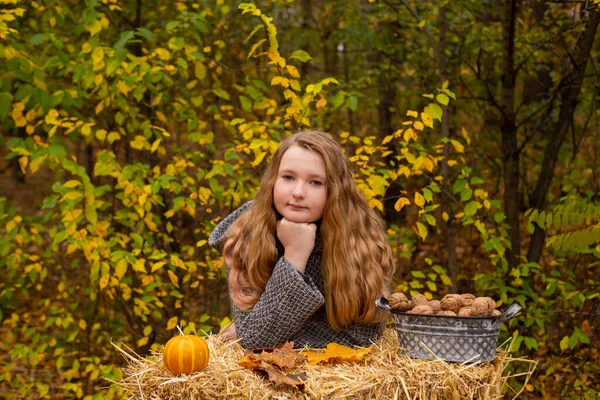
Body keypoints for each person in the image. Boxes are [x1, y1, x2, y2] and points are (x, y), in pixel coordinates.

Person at [208, 131, 395, 349]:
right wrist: (294, 257)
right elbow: (254, 340)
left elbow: (362, 337)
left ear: (334, 190)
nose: (298, 192)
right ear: (272, 181)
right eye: (288, 177)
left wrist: (273, 333)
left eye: (315, 182)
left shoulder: (358, 237)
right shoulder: (246, 235)